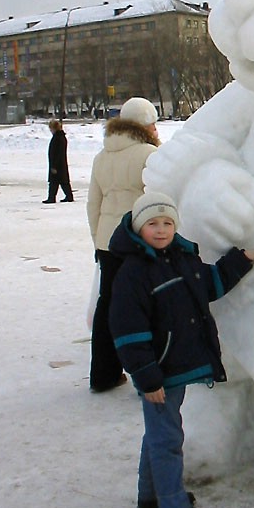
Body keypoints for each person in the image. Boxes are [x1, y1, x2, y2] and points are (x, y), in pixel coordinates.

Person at [108, 192, 254, 508]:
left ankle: (151, 498)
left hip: (174, 367)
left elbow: (207, 284)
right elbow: (127, 331)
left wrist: (241, 260)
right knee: (167, 437)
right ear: (139, 228)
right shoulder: (133, 273)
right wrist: (147, 378)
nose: (162, 230)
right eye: (153, 223)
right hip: (159, 371)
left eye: (167, 223)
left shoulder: (179, 258)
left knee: (159, 432)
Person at [86, 97, 161, 392]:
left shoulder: (101, 156)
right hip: (138, 241)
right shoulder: (150, 155)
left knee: (108, 305)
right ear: (146, 125)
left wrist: (98, 241)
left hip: (108, 242)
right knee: (146, 306)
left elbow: (94, 204)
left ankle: (103, 374)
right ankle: (149, 377)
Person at [42, 119, 73, 203]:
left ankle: (52, 198)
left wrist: (54, 165)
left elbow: (58, 153)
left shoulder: (58, 138)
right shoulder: (60, 137)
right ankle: (68, 196)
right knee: (63, 181)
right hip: (61, 164)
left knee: (54, 182)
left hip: (57, 164)